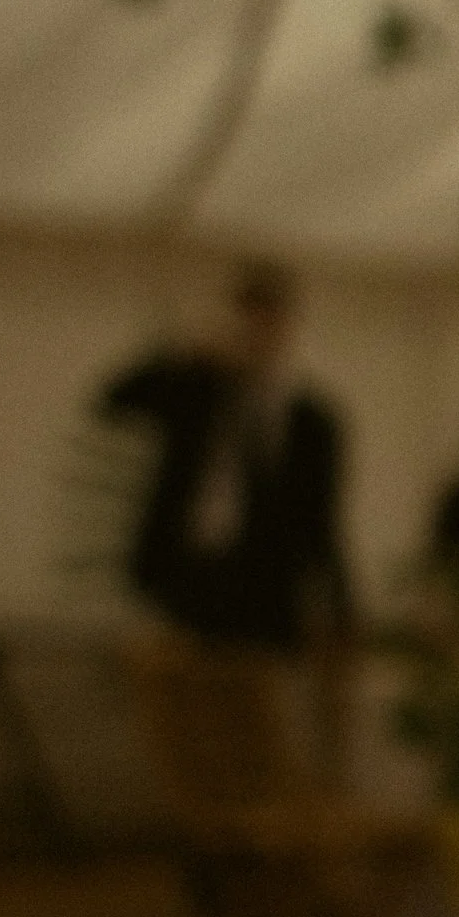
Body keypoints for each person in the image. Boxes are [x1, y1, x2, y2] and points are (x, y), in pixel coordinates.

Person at [98, 261, 352, 652]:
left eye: (268, 323)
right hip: (185, 578)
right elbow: (117, 401)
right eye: (248, 322)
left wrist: (338, 608)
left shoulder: (310, 421)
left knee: (253, 699)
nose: (256, 336)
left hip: (267, 591)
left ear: (287, 327)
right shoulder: (197, 391)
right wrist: (186, 352)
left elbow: (320, 520)